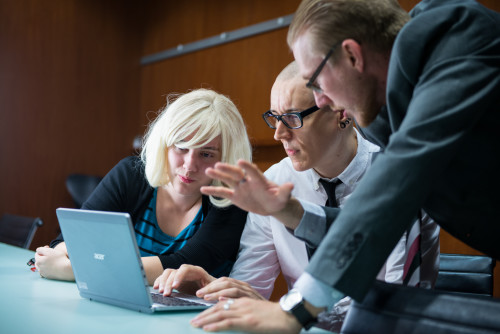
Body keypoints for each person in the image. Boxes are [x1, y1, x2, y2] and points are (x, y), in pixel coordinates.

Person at [190, 0, 500, 332]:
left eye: (316, 81)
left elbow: (392, 191)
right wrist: (292, 212)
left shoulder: (454, 36)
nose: (322, 100)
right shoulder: (383, 113)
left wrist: (296, 311)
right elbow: (372, 220)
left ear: (352, 55)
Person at [155, 62, 439, 331]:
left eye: (292, 118)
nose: (279, 133)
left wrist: (290, 312)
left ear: (341, 112)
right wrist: (214, 289)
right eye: (275, 118)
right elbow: (251, 288)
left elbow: (390, 308)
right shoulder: (274, 181)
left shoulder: (399, 179)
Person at [35, 88, 253, 284]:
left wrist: (73, 270)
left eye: (206, 154)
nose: (189, 165)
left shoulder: (232, 200)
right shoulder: (131, 174)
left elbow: (181, 266)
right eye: (181, 147)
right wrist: (61, 255)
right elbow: (70, 241)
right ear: (165, 144)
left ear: (226, 158)